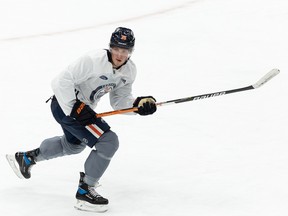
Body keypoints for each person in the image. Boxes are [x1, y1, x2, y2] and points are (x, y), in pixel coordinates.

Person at [6, 27, 157, 212]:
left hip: (79, 111)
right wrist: (74, 107)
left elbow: (118, 101)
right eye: (116, 48)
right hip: (65, 106)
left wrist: (137, 105)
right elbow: (60, 81)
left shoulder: (129, 71)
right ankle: (85, 191)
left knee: (73, 146)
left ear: (130, 51)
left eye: (124, 50)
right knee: (108, 142)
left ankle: (26, 158)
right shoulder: (93, 60)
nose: (119, 54)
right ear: (110, 47)